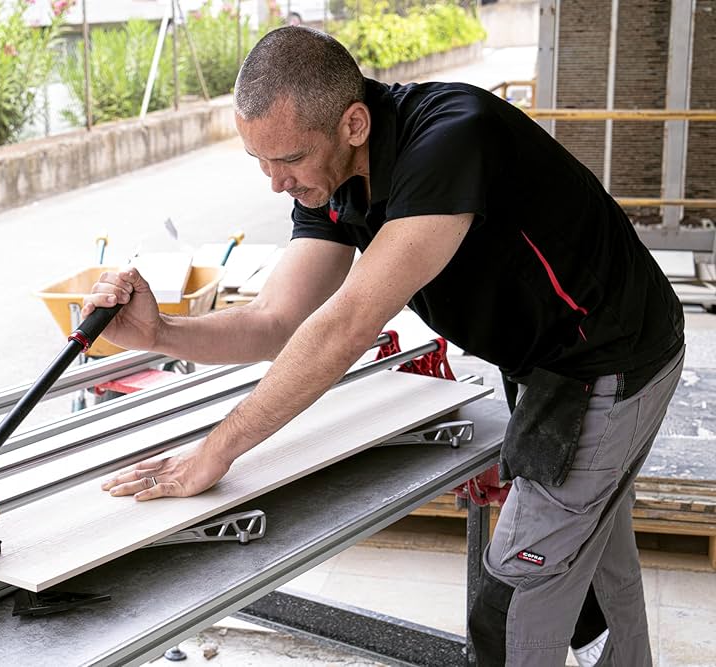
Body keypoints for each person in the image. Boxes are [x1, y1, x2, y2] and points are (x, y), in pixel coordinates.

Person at [83, 26, 684, 666]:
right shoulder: (331, 182)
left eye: (287, 159)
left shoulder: (452, 139)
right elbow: (278, 320)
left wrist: (216, 451)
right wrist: (160, 335)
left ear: (354, 123)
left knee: (517, 588)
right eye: (260, 161)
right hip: (546, 360)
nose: (275, 183)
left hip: (609, 362)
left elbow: (343, 327)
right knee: (592, 560)